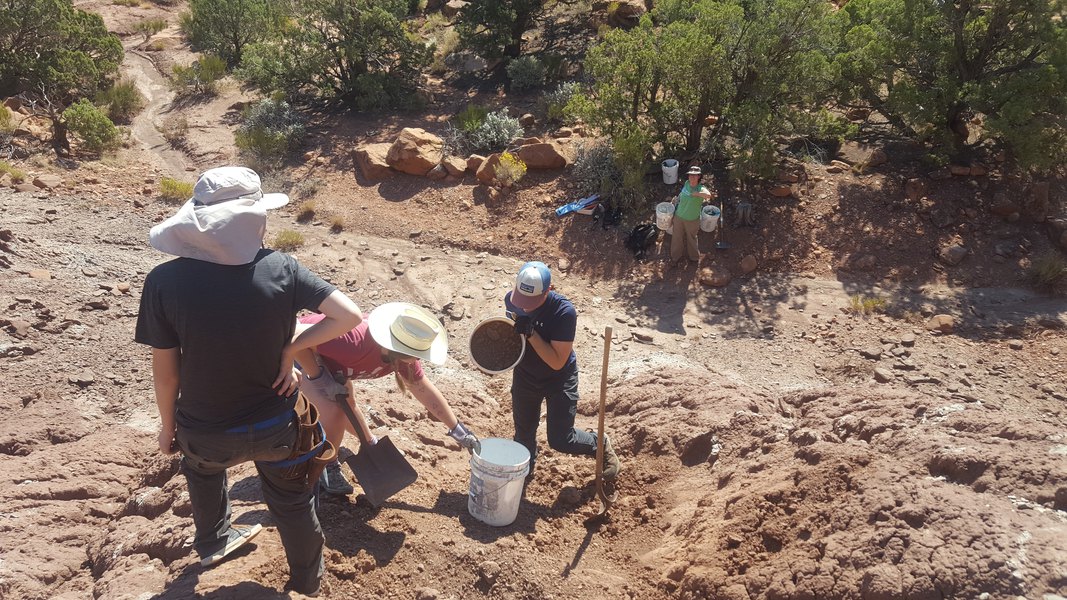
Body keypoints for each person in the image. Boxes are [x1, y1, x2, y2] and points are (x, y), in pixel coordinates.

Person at [135, 166, 362, 597]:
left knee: (201, 471)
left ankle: (214, 542)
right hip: (276, 428)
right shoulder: (282, 268)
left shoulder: (163, 281)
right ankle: (307, 582)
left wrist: (168, 428)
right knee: (293, 503)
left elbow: (166, 374)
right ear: (254, 218)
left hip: (205, 432)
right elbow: (348, 316)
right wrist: (290, 348)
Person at [294, 302, 481, 496]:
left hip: (327, 362)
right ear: (399, 348)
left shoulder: (402, 358)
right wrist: (319, 377)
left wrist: (458, 431)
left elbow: (422, 389)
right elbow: (293, 336)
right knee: (334, 410)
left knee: (347, 402)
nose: (419, 360)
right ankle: (327, 464)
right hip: (296, 354)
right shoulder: (352, 341)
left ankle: (369, 443)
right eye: (416, 355)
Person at [504, 261, 620, 481]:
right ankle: (524, 472)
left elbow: (557, 361)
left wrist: (532, 334)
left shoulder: (564, 313)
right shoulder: (512, 301)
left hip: (558, 379)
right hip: (525, 376)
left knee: (561, 440)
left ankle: (600, 443)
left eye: (532, 301)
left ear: (549, 290)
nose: (525, 307)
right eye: (522, 300)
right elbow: (511, 340)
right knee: (523, 434)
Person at [670, 165, 716, 266]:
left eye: (695, 175)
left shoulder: (701, 188)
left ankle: (694, 258)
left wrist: (697, 194)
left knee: (692, 239)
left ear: (699, 176)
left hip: (692, 220)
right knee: (677, 238)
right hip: (679, 217)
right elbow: (681, 197)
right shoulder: (686, 183)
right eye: (690, 175)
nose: (692, 177)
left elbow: (709, 195)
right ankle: (675, 257)